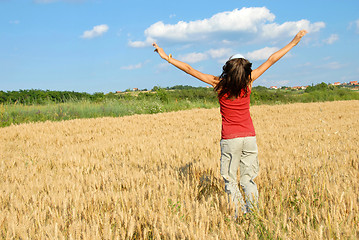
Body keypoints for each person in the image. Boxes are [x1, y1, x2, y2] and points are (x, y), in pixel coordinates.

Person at [153, 30, 308, 218]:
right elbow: (272, 59)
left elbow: (189, 69)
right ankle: (254, 214)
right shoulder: (249, 82)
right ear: (245, 69)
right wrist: (294, 42)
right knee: (248, 178)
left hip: (230, 139)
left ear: (228, 67)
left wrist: (166, 57)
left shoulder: (218, 83)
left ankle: (238, 215)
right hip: (249, 137)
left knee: (230, 180)